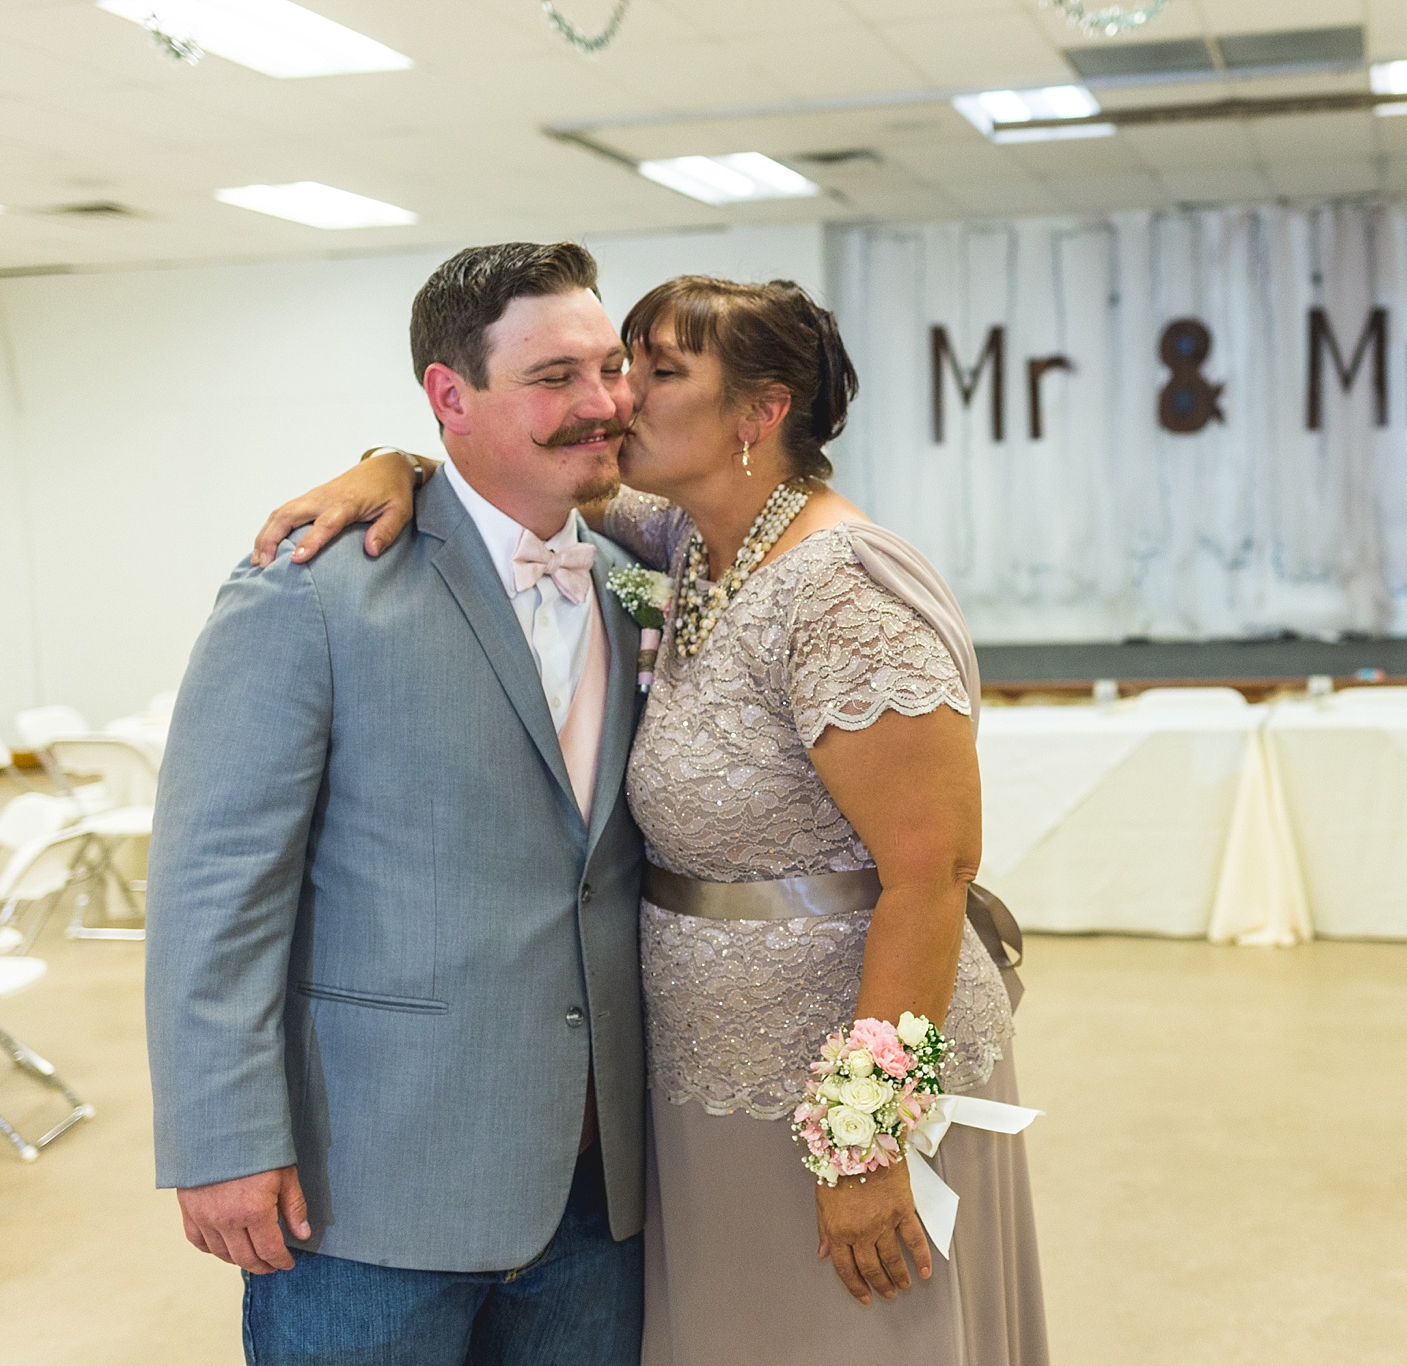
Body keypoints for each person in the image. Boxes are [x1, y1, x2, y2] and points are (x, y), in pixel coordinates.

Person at [254, 275, 1049, 1364]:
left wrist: (866, 1136)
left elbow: (933, 870)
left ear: (759, 414)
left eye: (656, 370)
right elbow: (516, 474)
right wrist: (397, 464)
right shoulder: (685, 542)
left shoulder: (844, 587)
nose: (617, 397)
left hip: (838, 1088)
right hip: (701, 1089)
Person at [147, 241, 648, 1365]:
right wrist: (220, 1138)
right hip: (370, 1188)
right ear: (447, 396)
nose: (601, 402)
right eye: (553, 377)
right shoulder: (311, 591)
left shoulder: (633, 580)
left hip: (598, 1187)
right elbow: (212, 886)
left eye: (609, 368)